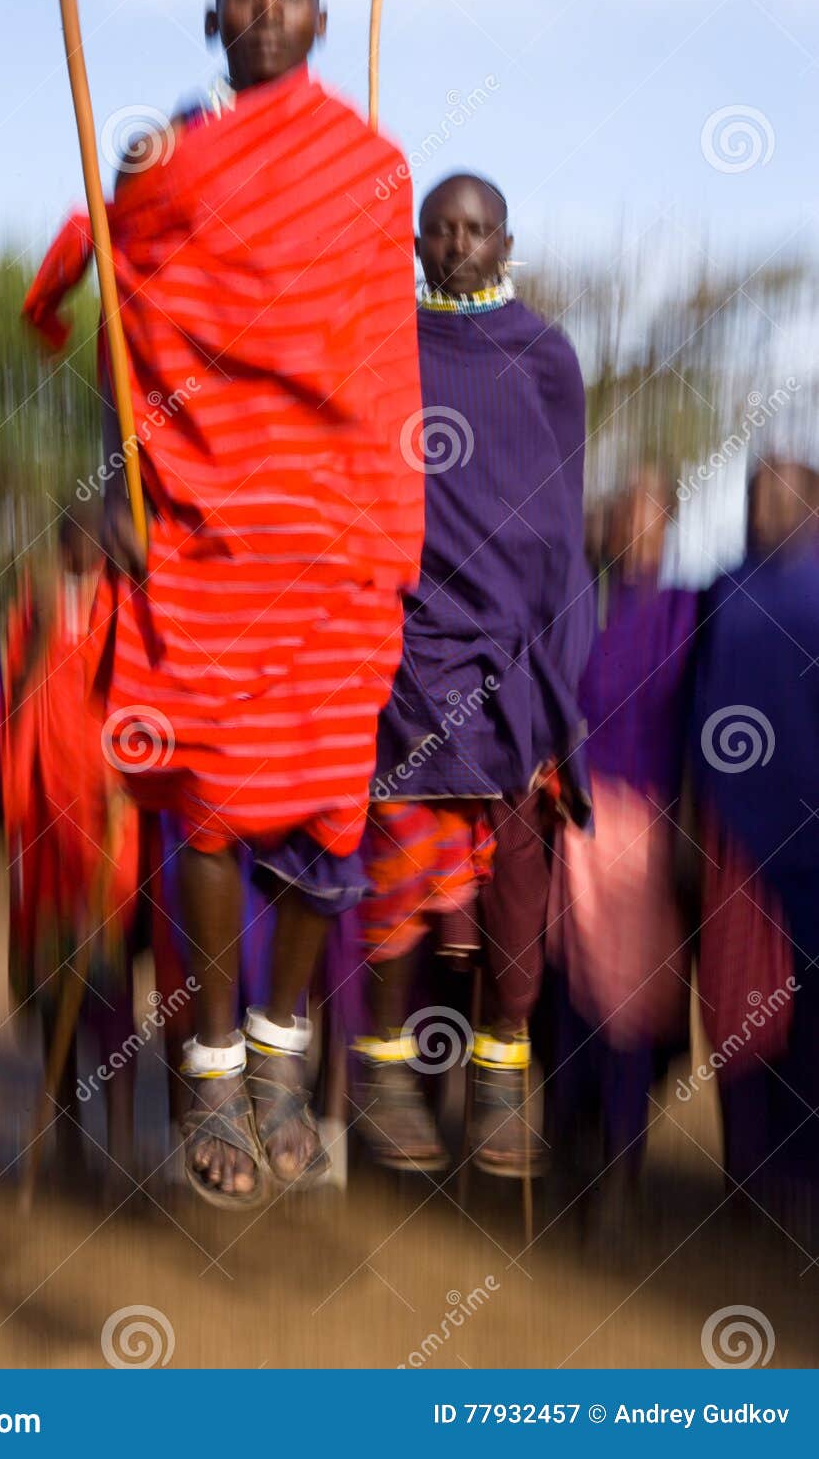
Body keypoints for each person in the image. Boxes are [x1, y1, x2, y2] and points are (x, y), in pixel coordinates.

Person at [22, 0, 423, 1207]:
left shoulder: (370, 169)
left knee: (324, 813)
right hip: (195, 528)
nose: (264, 6)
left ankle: (279, 1054)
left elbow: (378, 359)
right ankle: (204, 1069)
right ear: (213, 18)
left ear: (313, 21)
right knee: (202, 803)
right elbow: (130, 322)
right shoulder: (171, 162)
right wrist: (107, 485)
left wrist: (380, 515)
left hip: (334, 535)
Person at [355, 172, 592, 1177]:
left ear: (507, 240)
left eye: (478, 229)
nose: (459, 244)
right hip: (414, 646)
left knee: (515, 883)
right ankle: (382, 1069)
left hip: (521, 643)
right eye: (441, 230)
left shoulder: (546, 356)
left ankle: (502, 1068)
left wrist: (551, 639)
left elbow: (562, 511)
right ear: (417, 243)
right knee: (399, 875)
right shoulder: (384, 348)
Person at [543, 471, 695, 1238]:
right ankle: (570, 1157)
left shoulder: (692, 614)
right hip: (576, 824)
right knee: (572, 1000)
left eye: (649, 509)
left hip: (650, 837)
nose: (633, 525)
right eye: (623, 509)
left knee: (631, 1012)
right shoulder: (578, 605)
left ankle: (619, 1176)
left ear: (669, 524)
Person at [691, 452, 819, 1242]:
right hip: (733, 843)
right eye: (752, 494)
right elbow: (689, 706)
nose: (761, 508)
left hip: (811, 847)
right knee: (738, 1008)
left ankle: (803, 1176)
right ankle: (748, 1174)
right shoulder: (725, 589)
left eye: (779, 494)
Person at [1, 499, 141, 1175]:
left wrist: (128, 777)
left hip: (106, 820)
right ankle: (68, 1146)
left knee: (109, 988)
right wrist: (38, 641)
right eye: (74, 535)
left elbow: (139, 699)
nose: (84, 546)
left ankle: (120, 1144)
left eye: (95, 536)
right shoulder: (35, 603)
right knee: (56, 991)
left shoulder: (126, 604)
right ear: (60, 543)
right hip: (46, 825)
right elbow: (16, 706)